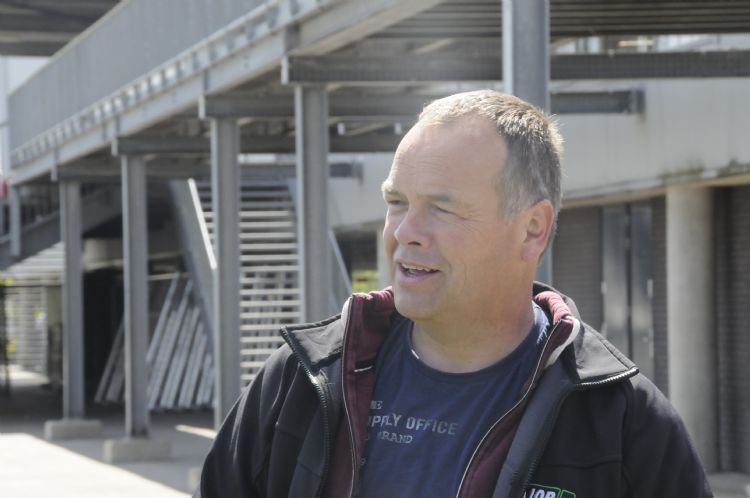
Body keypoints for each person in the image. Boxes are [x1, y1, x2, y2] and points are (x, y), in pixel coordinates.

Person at [195, 90, 713, 498]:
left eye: (441, 209)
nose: (405, 232)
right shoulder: (301, 380)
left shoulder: (623, 421)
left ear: (532, 229)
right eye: (397, 203)